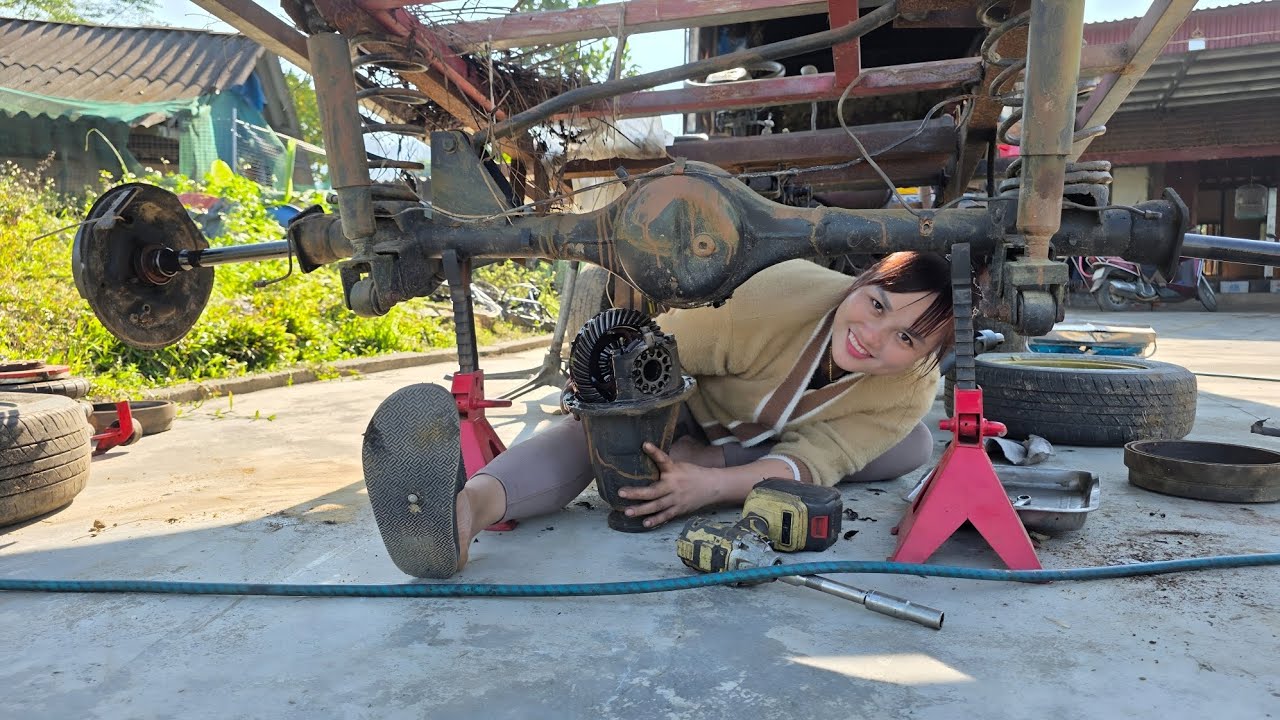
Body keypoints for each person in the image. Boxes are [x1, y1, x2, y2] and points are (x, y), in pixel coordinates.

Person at [362, 251, 959, 578]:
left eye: (906, 339)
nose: (873, 336)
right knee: (596, 432)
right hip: (683, 402)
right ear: (858, 283)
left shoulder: (909, 392)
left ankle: (706, 464)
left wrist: (712, 482)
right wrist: (624, 423)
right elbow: (653, 351)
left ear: (927, 356)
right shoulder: (785, 296)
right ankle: (465, 512)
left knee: (912, 446)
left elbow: (818, 459)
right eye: (875, 304)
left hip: (762, 446)